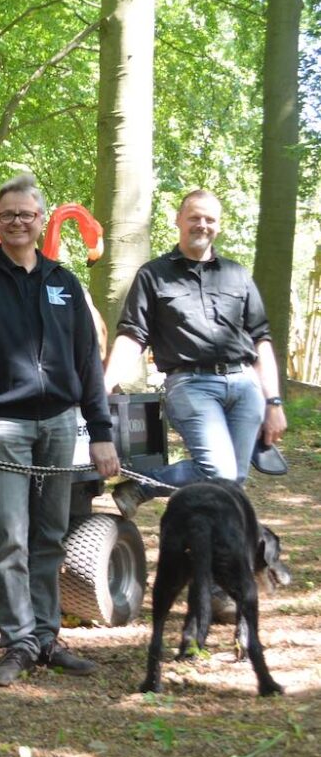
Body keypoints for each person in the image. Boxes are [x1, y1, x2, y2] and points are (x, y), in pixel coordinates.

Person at [0, 173, 120, 688]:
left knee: (50, 535)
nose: (17, 222)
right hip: (4, 427)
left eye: (26, 214)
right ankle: (17, 640)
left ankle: (47, 636)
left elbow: (88, 363)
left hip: (62, 423)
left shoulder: (64, 282)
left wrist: (101, 430)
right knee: (9, 539)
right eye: (8, 215)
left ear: (41, 221)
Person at [104, 190, 288, 518]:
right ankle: (144, 484)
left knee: (234, 481)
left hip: (246, 386)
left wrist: (273, 402)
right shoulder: (153, 275)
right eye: (194, 217)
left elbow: (261, 341)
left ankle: (209, 552)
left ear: (218, 225)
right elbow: (132, 336)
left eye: (210, 219)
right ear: (178, 220)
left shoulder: (238, 274)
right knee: (219, 472)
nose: (202, 225)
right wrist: (103, 384)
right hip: (191, 385)